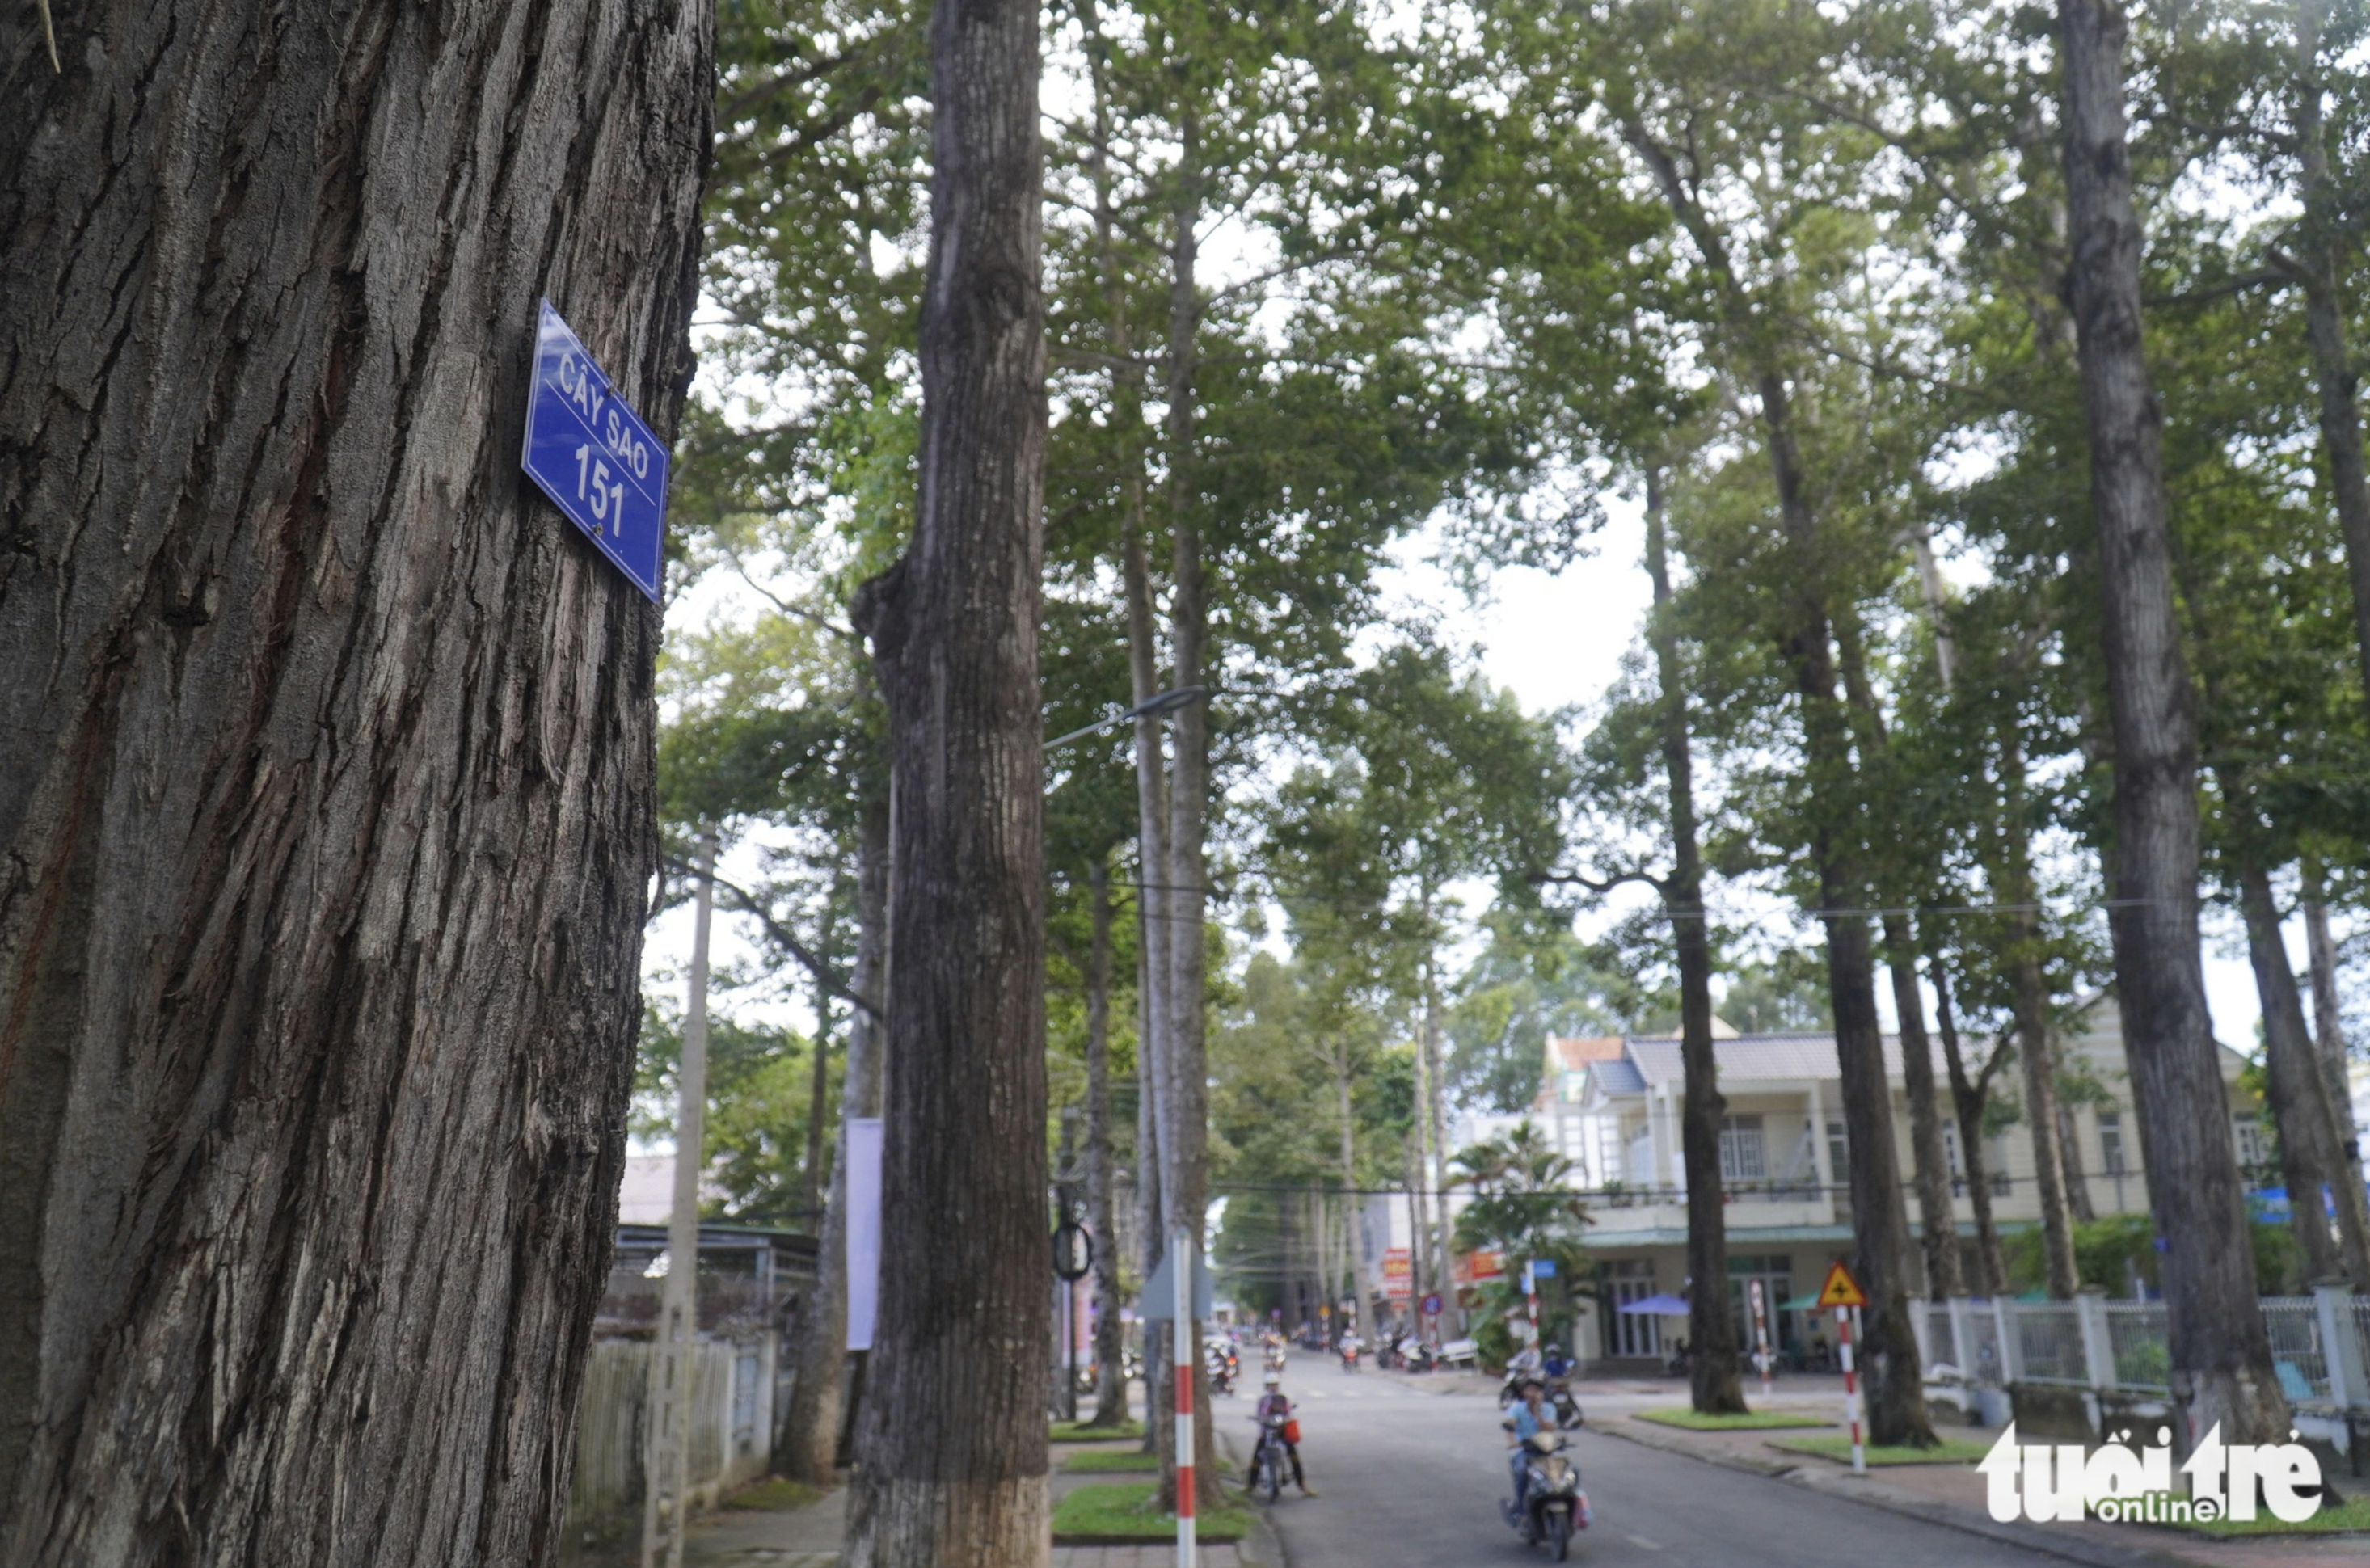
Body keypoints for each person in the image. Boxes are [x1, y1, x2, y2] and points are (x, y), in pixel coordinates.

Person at [1255, 1372, 1314, 1496]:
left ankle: (1302, 1484)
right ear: (1266, 1386)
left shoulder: (1284, 1399)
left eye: (1275, 1384)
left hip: (1282, 1432)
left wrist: (1287, 1420)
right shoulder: (1263, 1400)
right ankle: (1250, 1484)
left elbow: (1288, 1413)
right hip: (1267, 1432)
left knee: (1293, 1456)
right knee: (1257, 1456)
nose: (1273, 1387)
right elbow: (1259, 1415)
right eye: (1270, 1385)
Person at [1504, 1377, 1550, 1508]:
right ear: (1524, 1393)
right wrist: (1513, 1442)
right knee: (1522, 1471)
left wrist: (1537, 1412)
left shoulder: (1548, 1408)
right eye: (1529, 1390)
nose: (1533, 1393)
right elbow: (1510, 1425)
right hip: (1524, 1451)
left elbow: (1548, 1429)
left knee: (1569, 1472)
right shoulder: (1516, 1409)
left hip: (1545, 1450)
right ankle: (1522, 1509)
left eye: (1536, 1390)